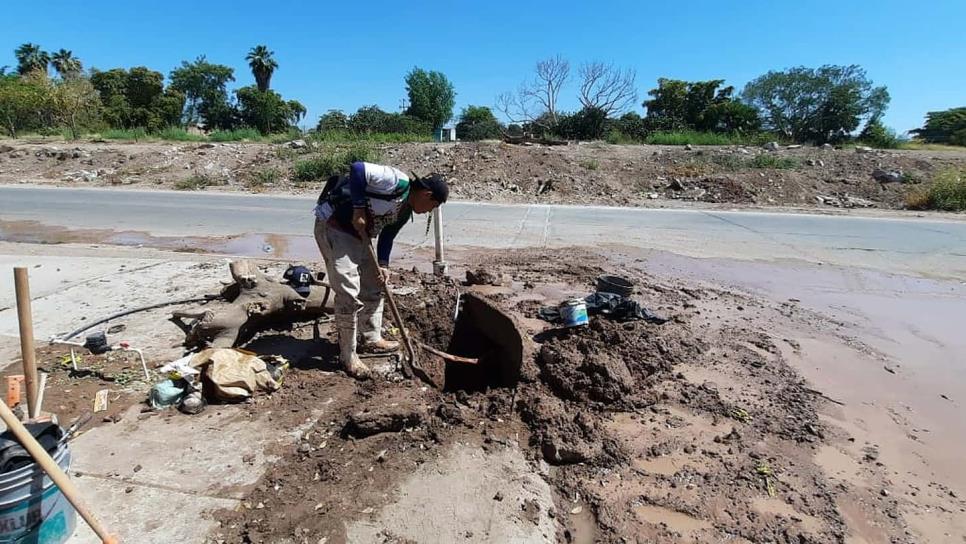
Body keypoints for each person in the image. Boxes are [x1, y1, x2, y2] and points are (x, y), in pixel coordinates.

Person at [313, 161, 448, 379]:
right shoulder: (396, 182)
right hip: (334, 226)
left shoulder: (405, 210)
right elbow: (357, 169)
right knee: (347, 290)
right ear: (426, 194)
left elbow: (387, 236)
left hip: (360, 236)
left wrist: (383, 264)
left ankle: (370, 338)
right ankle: (348, 356)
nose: (428, 212)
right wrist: (358, 208)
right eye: (432, 207)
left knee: (376, 282)